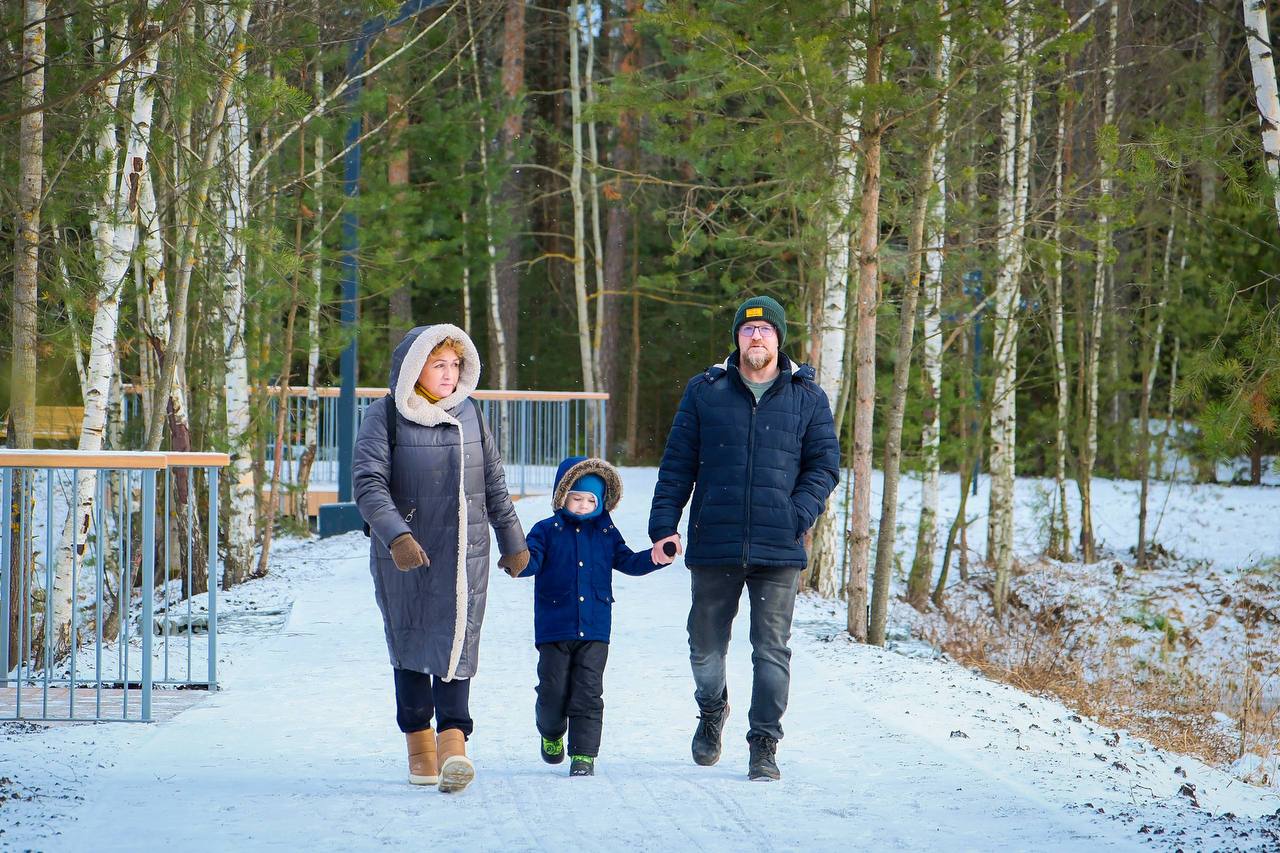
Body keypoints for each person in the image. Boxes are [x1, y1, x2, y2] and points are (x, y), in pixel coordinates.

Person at [648, 295, 840, 781]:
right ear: (736, 338)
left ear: (779, 338)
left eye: (766, 330)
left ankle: (763, 744)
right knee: (704, 647)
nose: (757, 337)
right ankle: (712, 709)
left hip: (779, 546)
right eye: (748, 330)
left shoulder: (807, 397)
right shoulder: (705, 391)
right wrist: (663, 527)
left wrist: (798, 513)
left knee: (771, 648)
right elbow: (677, 466)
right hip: (716, 541)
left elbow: (824, 466)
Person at [354, 323, 529, 793]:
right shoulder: (384, 416)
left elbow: (493, 480)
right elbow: (368, 484)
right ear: (415, 370)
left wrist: (513, 539)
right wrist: (396, 537)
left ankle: (455, 746)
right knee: (411, 643)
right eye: (439, 365)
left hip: (465, 553)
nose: (450, 375)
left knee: (459, 642)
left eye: (455, 365)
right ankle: (419, 746)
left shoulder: (470, 413)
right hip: (408, 555)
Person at [505, 456, 662, 777]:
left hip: (595, 627)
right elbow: (531, 561)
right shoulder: (546, 530)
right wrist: (517, 561)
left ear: (602, 503)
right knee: (552, 691)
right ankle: (550, 733)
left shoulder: (606, 532)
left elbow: (629, 562)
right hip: (554, 626)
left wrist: (655, 557)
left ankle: (584, 755)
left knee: (588, 692)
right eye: (576, 497)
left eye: (591, 500)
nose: (583, 505)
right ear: (562, 496)